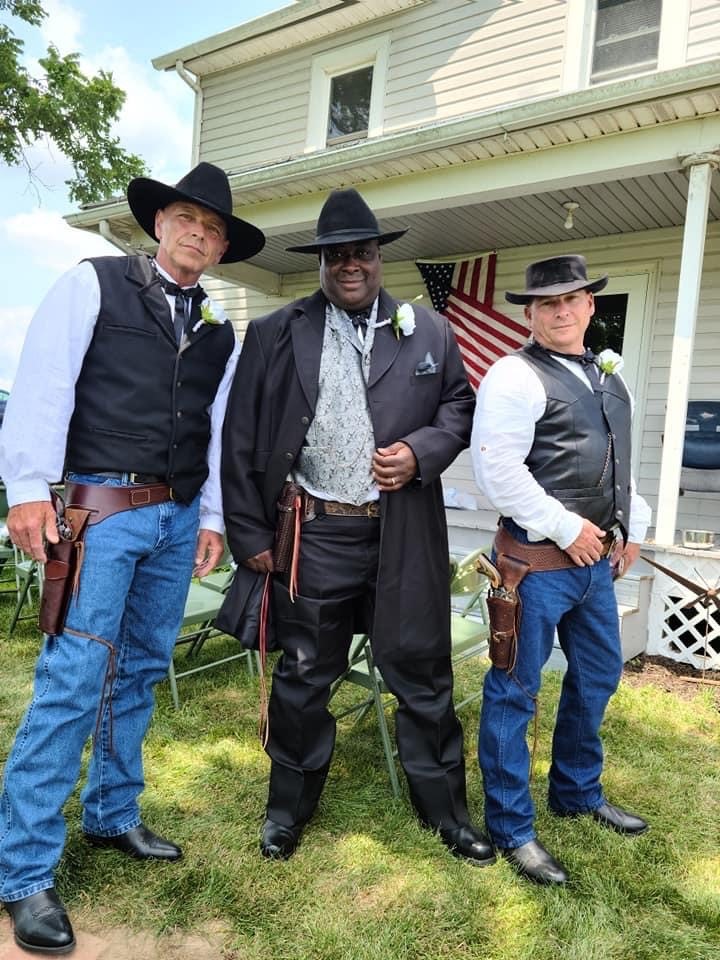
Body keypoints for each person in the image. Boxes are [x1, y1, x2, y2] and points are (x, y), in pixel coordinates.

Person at [0, 162, 264, 954]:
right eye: (188, 218)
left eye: (213, 229)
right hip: (99, 511)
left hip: (177, 519)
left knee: (142, 670)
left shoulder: (221, 330)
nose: (199, 234)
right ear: (160, 224)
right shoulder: (95, 285)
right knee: (72, 679)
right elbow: (44, 385)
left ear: (219, 248)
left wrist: (211, 515)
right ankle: (22, 871)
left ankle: (113, 814)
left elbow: (217, 431)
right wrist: (25, 488)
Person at [221, 187, 494, 867]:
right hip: (316, 533)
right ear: (320, 261)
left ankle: (448, 814)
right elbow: (240, 435)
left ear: (379, 257)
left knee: (423, 674)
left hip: (405, 532)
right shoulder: (275, 331)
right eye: (335, 254)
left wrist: (423, 451)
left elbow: (460, 405)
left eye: (362, 252)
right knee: (305, 675)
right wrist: (248, 534)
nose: (350, 264)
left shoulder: (427, 328)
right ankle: (287, 811)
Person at [470, 254, 652, 885]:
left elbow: (618, 464)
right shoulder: (513, 375)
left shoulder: (610, 380)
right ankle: (511, 827)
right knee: (516, 692)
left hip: (596, 568)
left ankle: (576, 791)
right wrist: (568, 528)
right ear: (531, 313)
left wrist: (633, 527)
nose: (562, 311)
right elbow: (498, 471)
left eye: (572, 299)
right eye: (548, 303)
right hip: (533, 567)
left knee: (599, 674)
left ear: (591, 305)